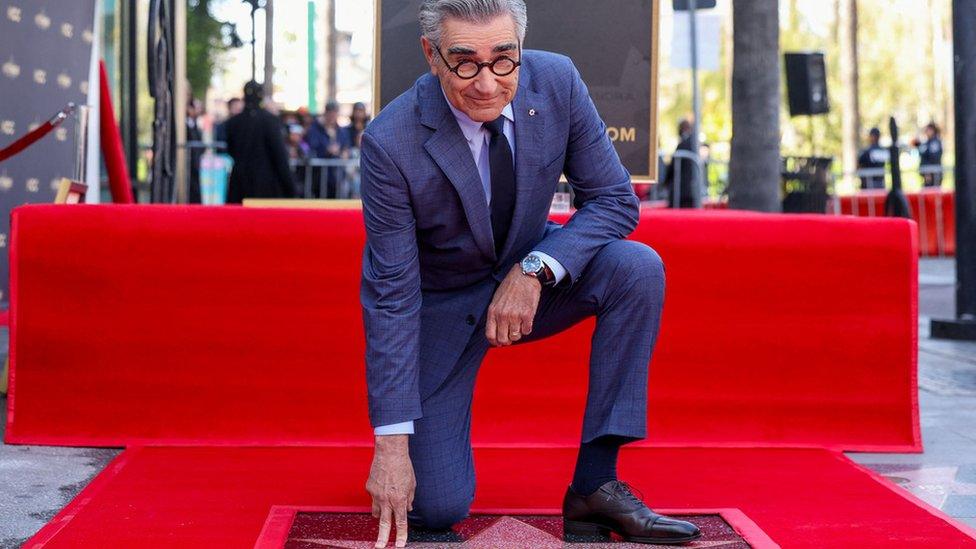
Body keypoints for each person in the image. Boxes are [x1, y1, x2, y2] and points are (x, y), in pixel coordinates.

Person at [359, 1, 700, 547]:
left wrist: (536, 269)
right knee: (438, 507)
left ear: (520, 47)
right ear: (432, 55)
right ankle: (422, 461)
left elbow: (613, 200)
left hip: (530, 276)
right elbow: (393, 295)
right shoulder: (389, 141)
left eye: (504, 60)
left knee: (636, 268)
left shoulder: (556, 81)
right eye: (465, 62)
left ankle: (596, 486)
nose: (487, 83)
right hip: (442, 306)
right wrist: (391, 448)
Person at [223, 81, 295, 203]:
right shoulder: (270, 121)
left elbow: (231, 149)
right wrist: (290, 188)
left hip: (240, 184)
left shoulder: (233, 122)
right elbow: (279, 155)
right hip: (266, 184)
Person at [306, 100, 351, 198]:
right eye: (330, 112)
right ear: (325, 113)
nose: (332, 115)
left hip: (338, 176)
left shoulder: (342, 131)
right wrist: (327, 150)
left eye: (334, 113)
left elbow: (347, 147)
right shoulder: (315, 129)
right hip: (321, 177)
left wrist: (345, 153)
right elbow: (312, 147)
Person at [662, 119, 698, 208]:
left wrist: (665, 182)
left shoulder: (683, 144)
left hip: (681, 190)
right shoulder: (694, 143)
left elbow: (673, 167)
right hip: (692, 190)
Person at [916, 122, 943, 187]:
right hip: (926, 173)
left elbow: (934, 157)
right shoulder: (926, 142)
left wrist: (929, 171)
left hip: (933, 174)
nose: (926, 132)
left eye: (928, 130)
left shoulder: (935, 142)